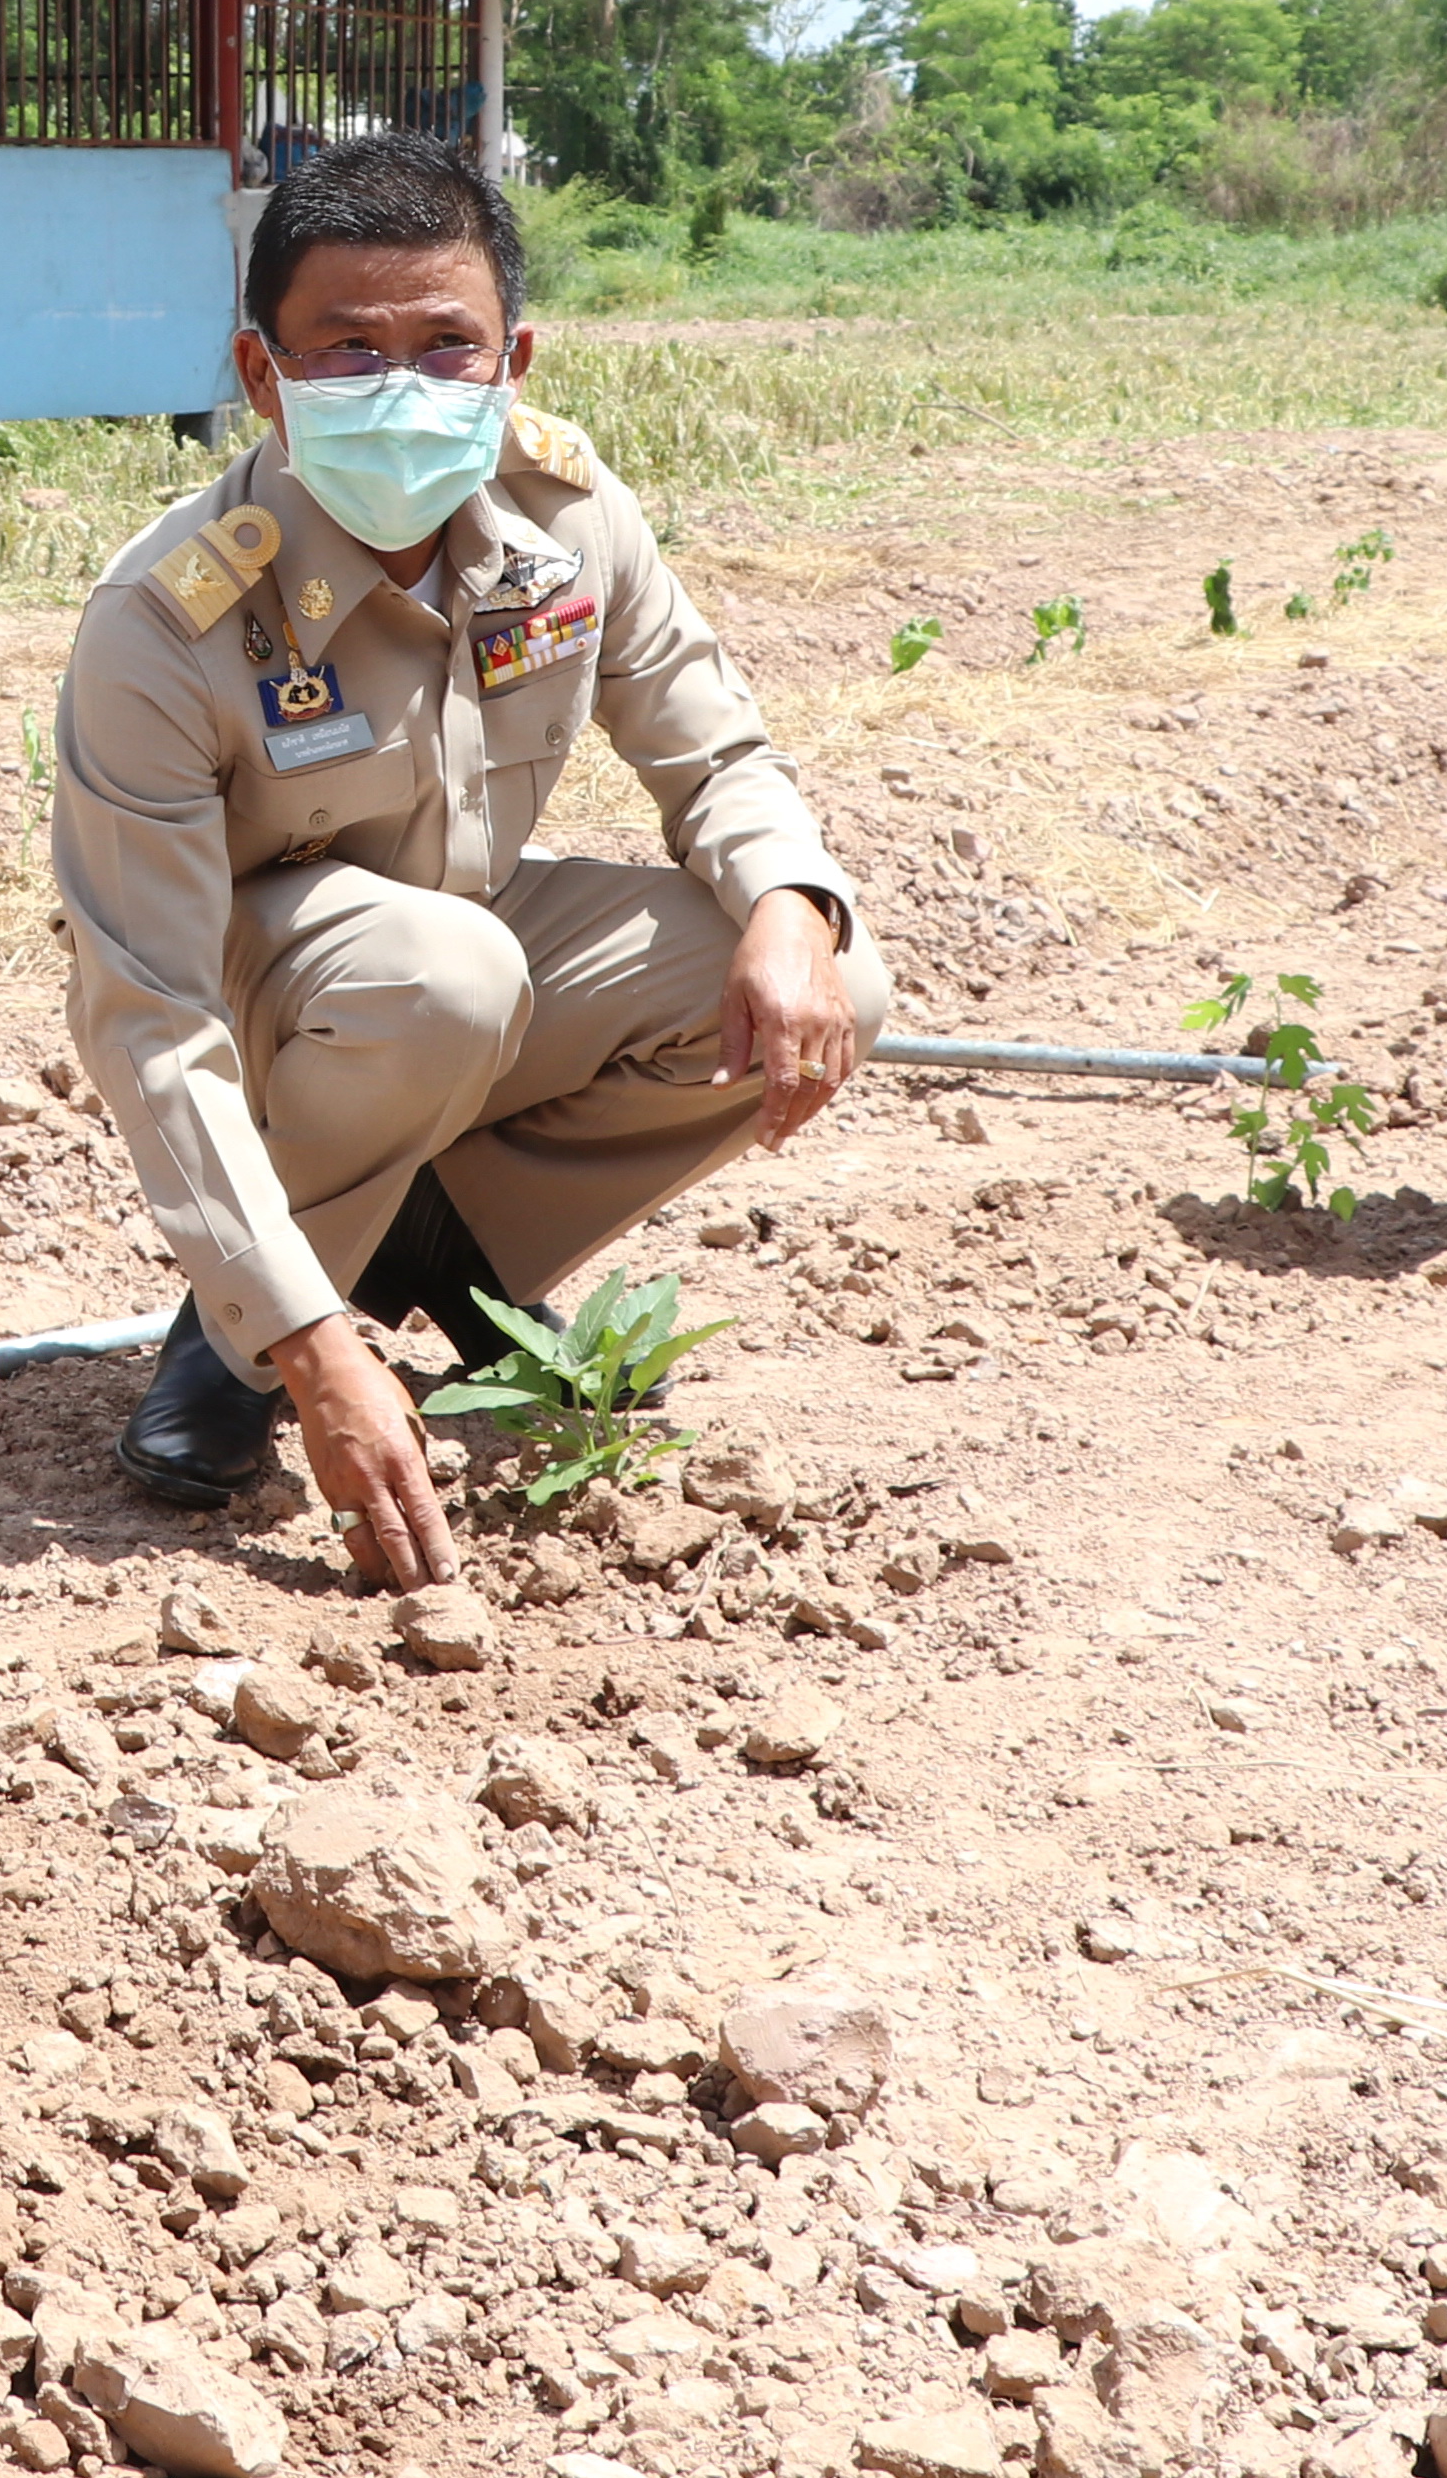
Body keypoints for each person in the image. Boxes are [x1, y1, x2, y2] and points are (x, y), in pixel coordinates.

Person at [49, 130, 880, 1583]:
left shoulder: (565, 518)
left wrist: (794, 907)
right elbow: (153, 1019)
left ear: (515, 360)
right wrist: (315, 1360)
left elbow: (713, 749)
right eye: (348, 351)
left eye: (448, 347)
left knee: (825, 977)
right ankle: (247, 1332)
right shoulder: (166, 623)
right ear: (262, 374)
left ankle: (435, 1237)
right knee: (442, 975)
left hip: (463, 954)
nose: (404, 388)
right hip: (276, 1008)